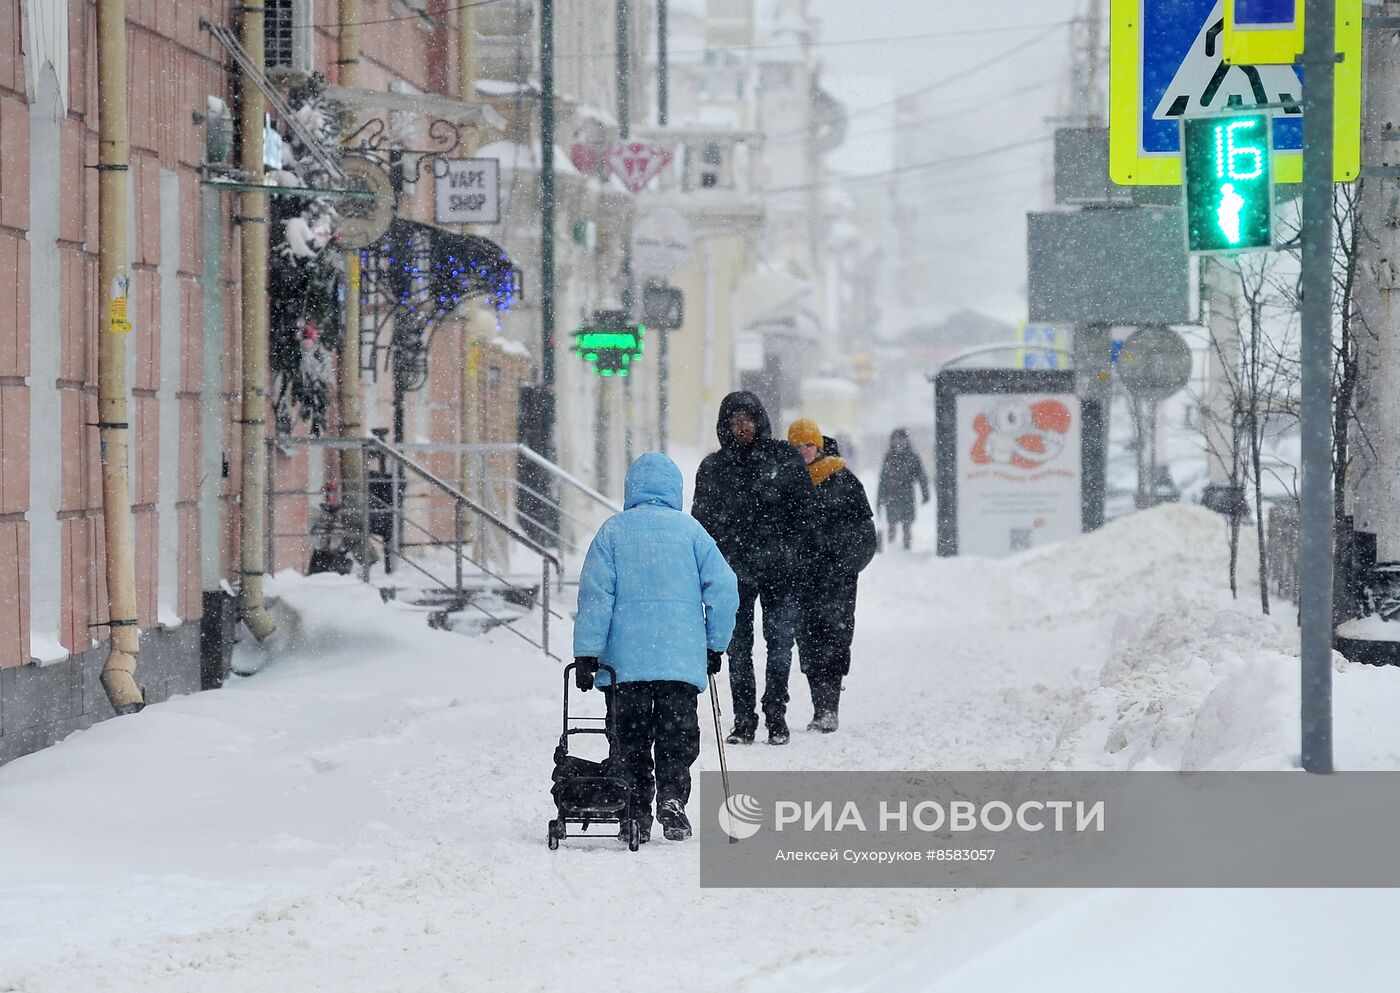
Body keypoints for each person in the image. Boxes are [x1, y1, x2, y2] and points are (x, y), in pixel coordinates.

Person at [573, 452, 739, 843]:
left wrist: (586, 653)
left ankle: (635, 808)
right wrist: (715, 643)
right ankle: (672, 795)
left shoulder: (612, 532)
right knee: (676, 735)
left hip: (625, 665)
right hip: (679, 663)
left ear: (631, 488)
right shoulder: (692, 532)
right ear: (674, 490)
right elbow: (725, 588)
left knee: (630, 738)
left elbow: (596, 596)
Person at [692, 391, 813, 745]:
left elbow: (804, 514)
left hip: (780, 571)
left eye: (748, 419)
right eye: (735, 420)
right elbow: (703, 526)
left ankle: (776, 715)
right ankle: (743, 720)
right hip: (733, 574)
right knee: (737, 647)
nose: (743, 426)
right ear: (726, 426)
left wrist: (792, 551)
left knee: (779, 645)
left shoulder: (784, 460)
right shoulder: (714, 468)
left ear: (759, 421)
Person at [787, 420, 877, 733]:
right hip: (802, 582)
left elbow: (866, 534)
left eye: (807, 445)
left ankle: (829, 708)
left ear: (819, 446)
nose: (803, 452)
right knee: (809, 644)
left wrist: (844, 565)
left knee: (835, 642)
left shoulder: (844, 481)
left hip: (837, 583)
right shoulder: (786, 483)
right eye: (796, 447)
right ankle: (819, 708)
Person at [876, 427, 929, 551]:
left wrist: (925, 492)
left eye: (901, 440)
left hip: (906, 495)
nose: (899, 443)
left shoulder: (912, 456)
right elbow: (883, 479)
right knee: (892, 524)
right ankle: (892, 551)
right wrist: (880, 498)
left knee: (907, 525)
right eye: (896, 440)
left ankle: (906, 549)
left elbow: (921, 476)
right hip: (892, 495)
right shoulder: (889, 457)